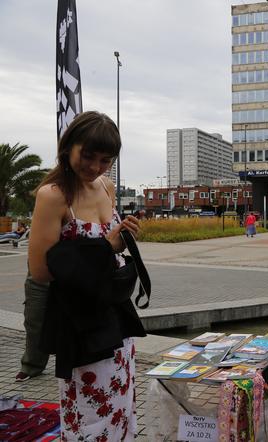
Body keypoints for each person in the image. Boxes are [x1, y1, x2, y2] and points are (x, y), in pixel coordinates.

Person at [26, 111, 143, 440]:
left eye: (105, 160)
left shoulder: (105, 187)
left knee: (120, 407)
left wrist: (122, 239)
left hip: (116, 320)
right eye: (87, 155)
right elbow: (40, 270)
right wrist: (105, 247)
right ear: (68, 147)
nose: (95, 167)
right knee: (89, 417)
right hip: (81, 326)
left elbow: (107, 250)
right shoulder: (53, 195)